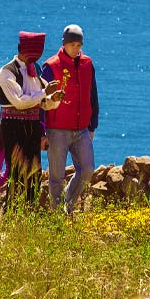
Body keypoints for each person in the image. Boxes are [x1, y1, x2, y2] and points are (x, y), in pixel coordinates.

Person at [0, 30, 63, 204]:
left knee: (34, 173)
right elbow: (19, 102)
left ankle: (28, 211)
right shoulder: (6, 72)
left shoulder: (35, 74)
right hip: (13, 126)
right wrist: (44, 93)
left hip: (32, 128)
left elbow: (43, 103)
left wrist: (53, 99)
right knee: (16, 172)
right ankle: (12, 213)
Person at [41, 24, 99, 213]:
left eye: (79, 44)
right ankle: (58, 215)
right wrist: (42, 131)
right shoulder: (51, 66)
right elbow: (42, 100)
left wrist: (92, 126)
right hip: (57, 129)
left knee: (87, 169)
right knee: (56, 176)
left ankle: (68, 204)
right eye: (72, 44)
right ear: (64, 43)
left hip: (82, 128)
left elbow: (93, 95)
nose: (76, 48)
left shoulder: (87, 63)